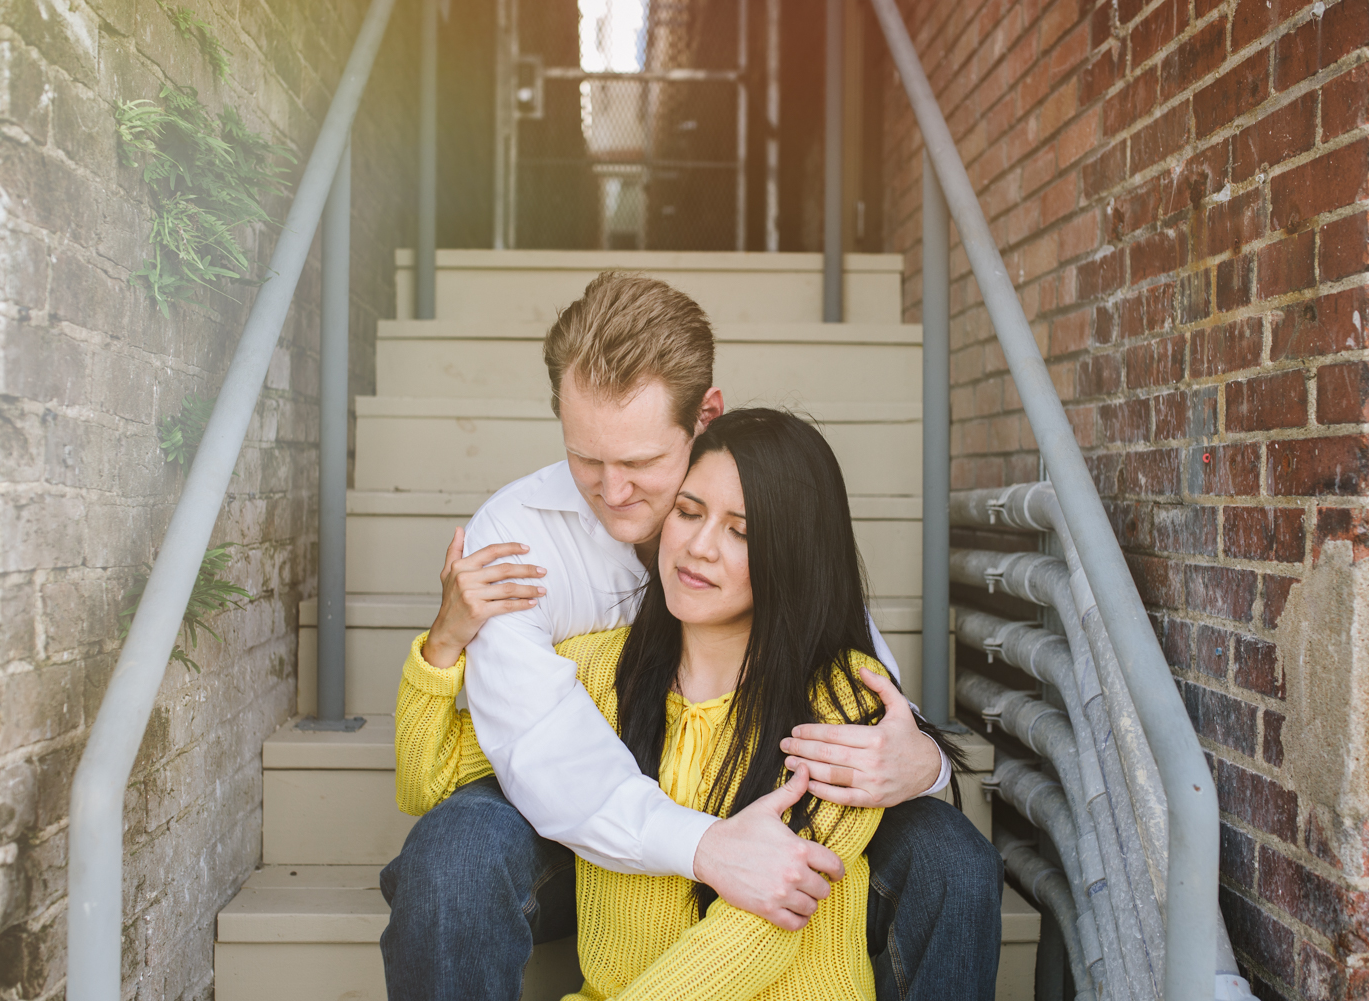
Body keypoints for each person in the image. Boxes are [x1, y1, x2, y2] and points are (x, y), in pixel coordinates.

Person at [379, 273, 1003, 1000]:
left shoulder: (775, 535)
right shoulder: (518, 546)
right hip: (581, 828)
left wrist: (923, 760)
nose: (613, 492)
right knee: (454, 851)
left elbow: (847, 682)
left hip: (760, 807)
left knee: (954, 857)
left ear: (706, 417)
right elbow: (530, 762)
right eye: (586, 458)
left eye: (642, 464)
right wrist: (442, 646)